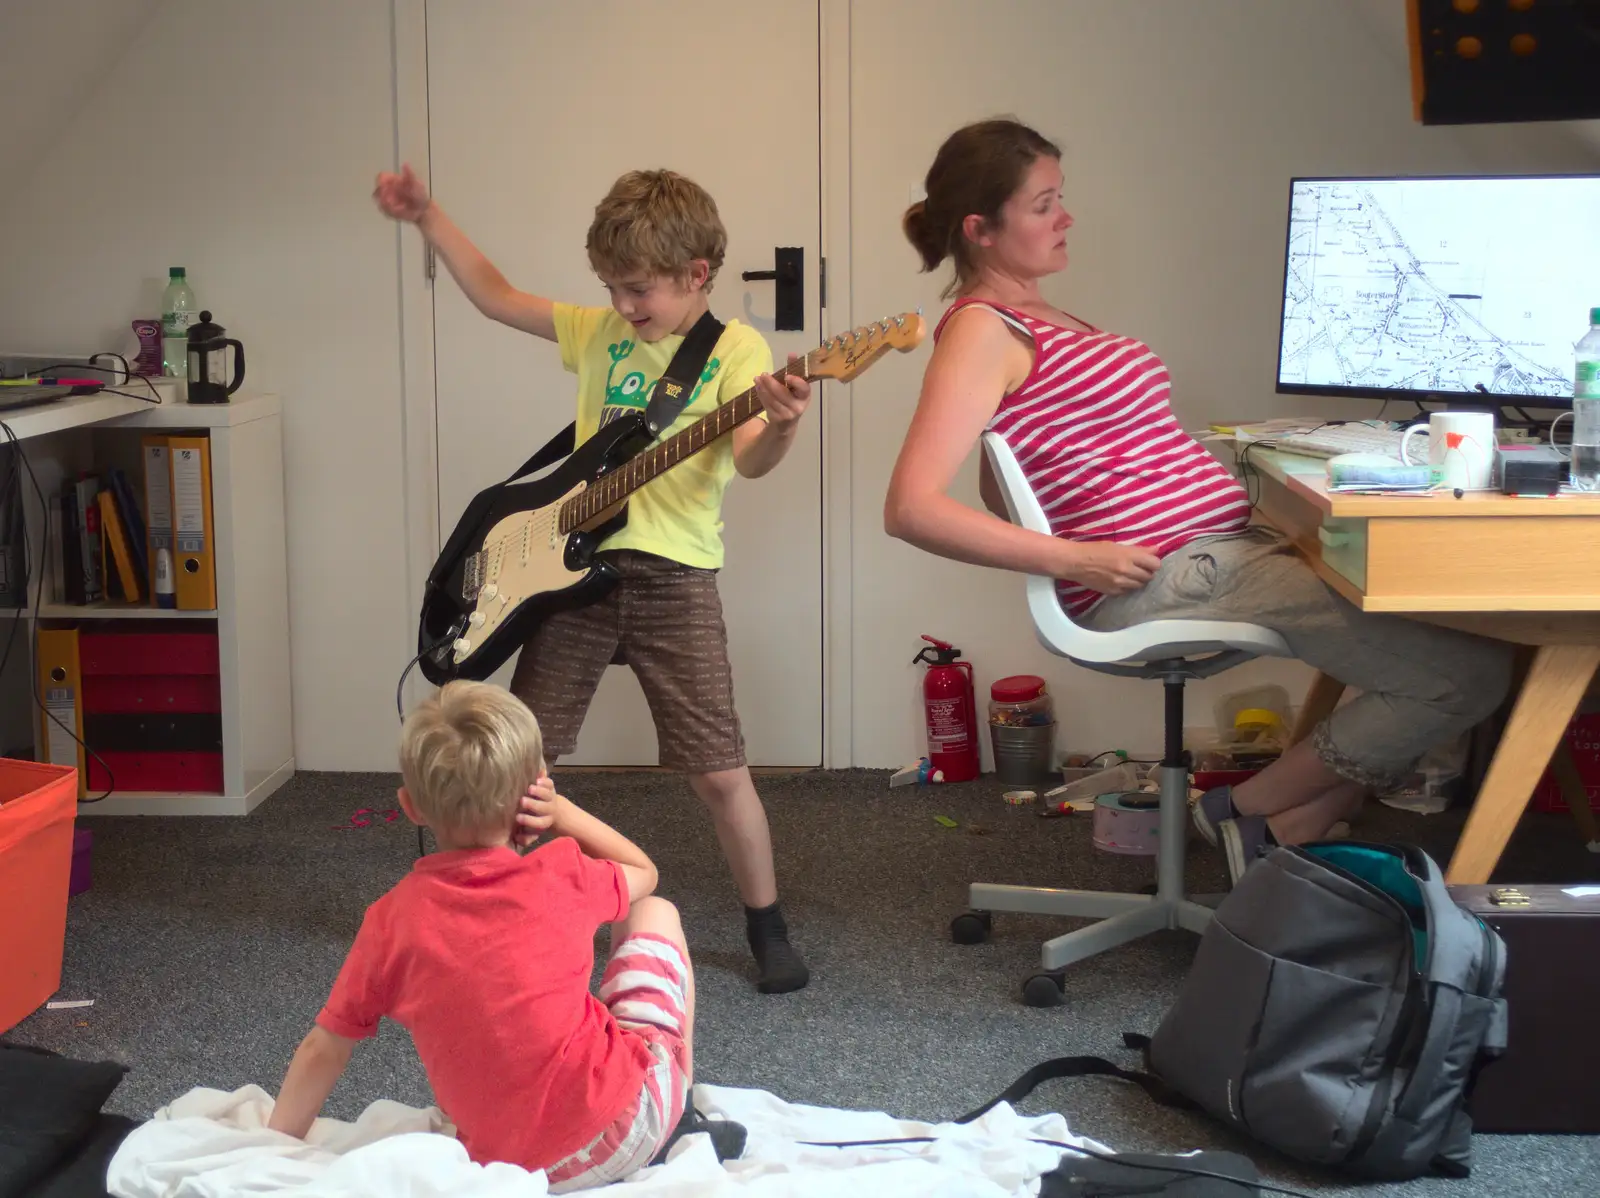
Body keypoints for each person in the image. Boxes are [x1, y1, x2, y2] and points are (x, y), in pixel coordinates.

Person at [883, 118, 1512, 885]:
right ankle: (1237, 813)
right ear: (980, 229)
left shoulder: (1041, 320)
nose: (1066, 217)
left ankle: (1294, 823)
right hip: (1173, 573)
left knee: (1424, 627)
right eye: (1044, 204)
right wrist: (1073, 555)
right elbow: (912, 507)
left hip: (1219, 554)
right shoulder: (982, 331)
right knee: (1469, 674)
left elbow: (1009, 468)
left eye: (1061, 198)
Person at [374, 164, 810, 991]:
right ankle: (501, 909)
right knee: (518, 759)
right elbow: (496, 294)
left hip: (674, 577)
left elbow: (751, 461)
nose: (624, 307)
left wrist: (782, 426)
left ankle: (767, 925)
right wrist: (428, 214)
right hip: (564, 576)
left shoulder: (737, 351)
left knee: (719, 769)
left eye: (640, 290)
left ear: (697, 277)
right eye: (611, 288)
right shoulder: (601, 336)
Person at [267, 681, 711, 1189]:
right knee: (654, 912)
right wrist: (561, 813)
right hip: (628, 1126)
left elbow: (324, 1049)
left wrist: (271, 1151)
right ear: (535, 787)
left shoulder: (390, 921)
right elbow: (645, 872)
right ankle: (681, 1110)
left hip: (508, 1166)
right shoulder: (563, 873)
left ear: (410, 805)